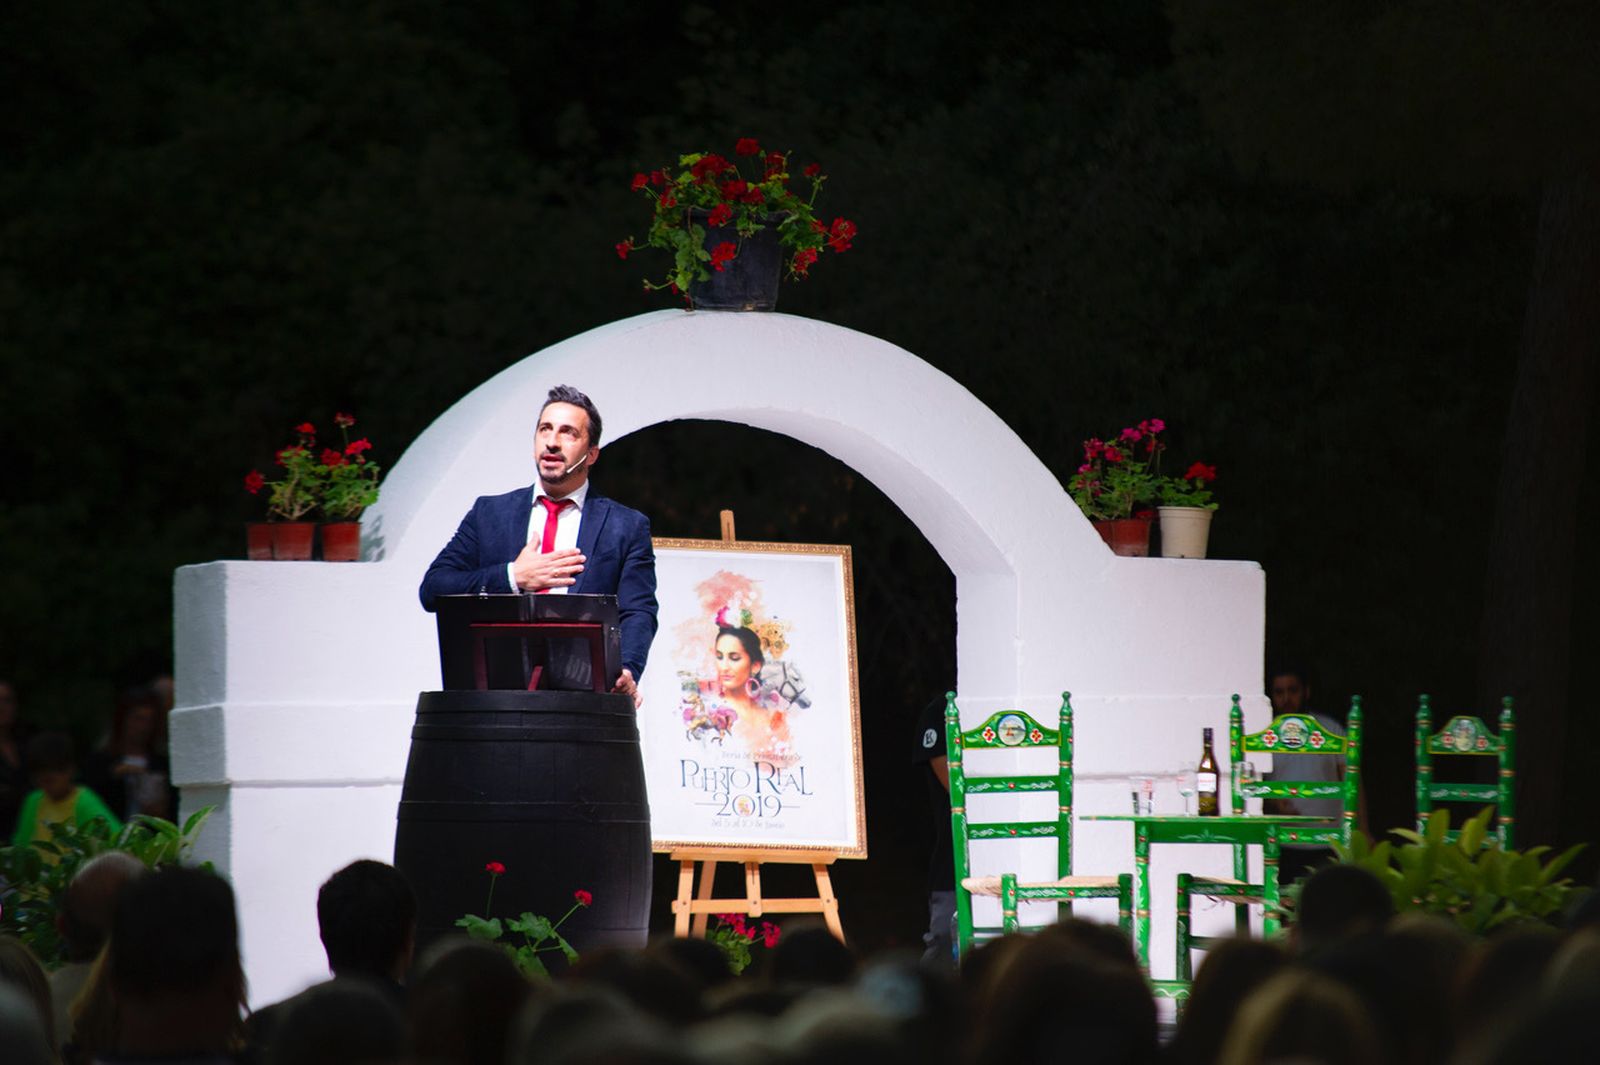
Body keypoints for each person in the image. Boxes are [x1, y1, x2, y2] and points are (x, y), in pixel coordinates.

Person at [419, 384, 657, 706]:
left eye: (568, 432)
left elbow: (638, 611)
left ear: (591, 454)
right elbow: (433, 589)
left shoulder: (626, 526)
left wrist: (627, 669)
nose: (552, 442)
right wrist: (512, 577)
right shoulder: (489, 513)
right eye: (545, 429)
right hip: (495, 704)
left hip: (585, 705)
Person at [1260, 665, 1358, 885]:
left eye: (1292, 690)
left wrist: (1364, 830)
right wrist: (1272, 801)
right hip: (1281, 842)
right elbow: (1253, 784)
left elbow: (1353, 782)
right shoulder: (1264, 736)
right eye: (1279, 692)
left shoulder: (1330, 730)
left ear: (1306, 691)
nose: (1286, 698)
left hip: (1328, 841)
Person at [11, 732, 121, 852]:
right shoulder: (34, 800)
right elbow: (20, 847)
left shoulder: (84, 802)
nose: (47, 785)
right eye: (41, 779)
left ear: (70, 770)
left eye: (52, 779)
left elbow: (117, 841)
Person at [705, 625, 794, 764]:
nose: (724, 666)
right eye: (719, 657)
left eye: (734, 658)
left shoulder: (774, 715)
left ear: (755, 666)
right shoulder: (708, 714)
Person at [910, 691, 955, 965]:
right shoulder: (942, 710)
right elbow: (959, 791)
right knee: (944, 949)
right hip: (952, 867)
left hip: (1013, 863)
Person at [83, 686, 172, 822]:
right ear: (123, 719)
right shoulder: (101, 761)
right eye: (138, 718)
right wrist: (113, 776)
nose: (144, 727)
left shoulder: (161, 764)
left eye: (149, 720)